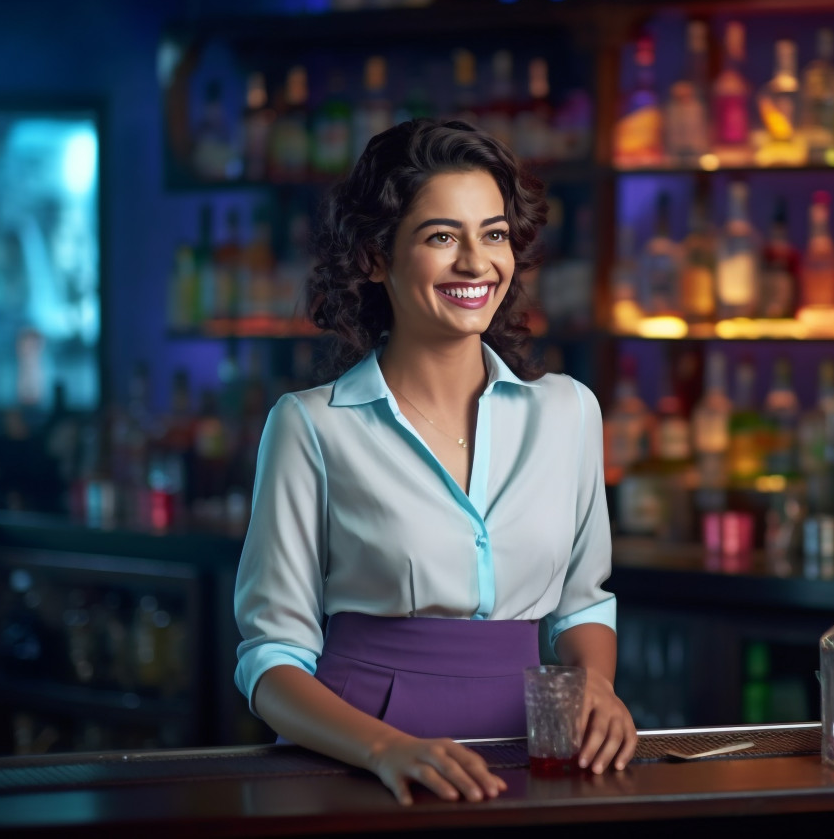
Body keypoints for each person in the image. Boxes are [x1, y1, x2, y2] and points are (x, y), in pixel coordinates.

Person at [233, 118, 636, 806]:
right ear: (373, 257)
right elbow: (271, 660)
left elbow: (581, 603)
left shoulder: (569, 412)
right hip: (360, 763)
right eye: (442, 237)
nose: (477, 264)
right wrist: (385, 748)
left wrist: (596, 686)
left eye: (494, 234)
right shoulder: (310, 426)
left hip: (535, 752)